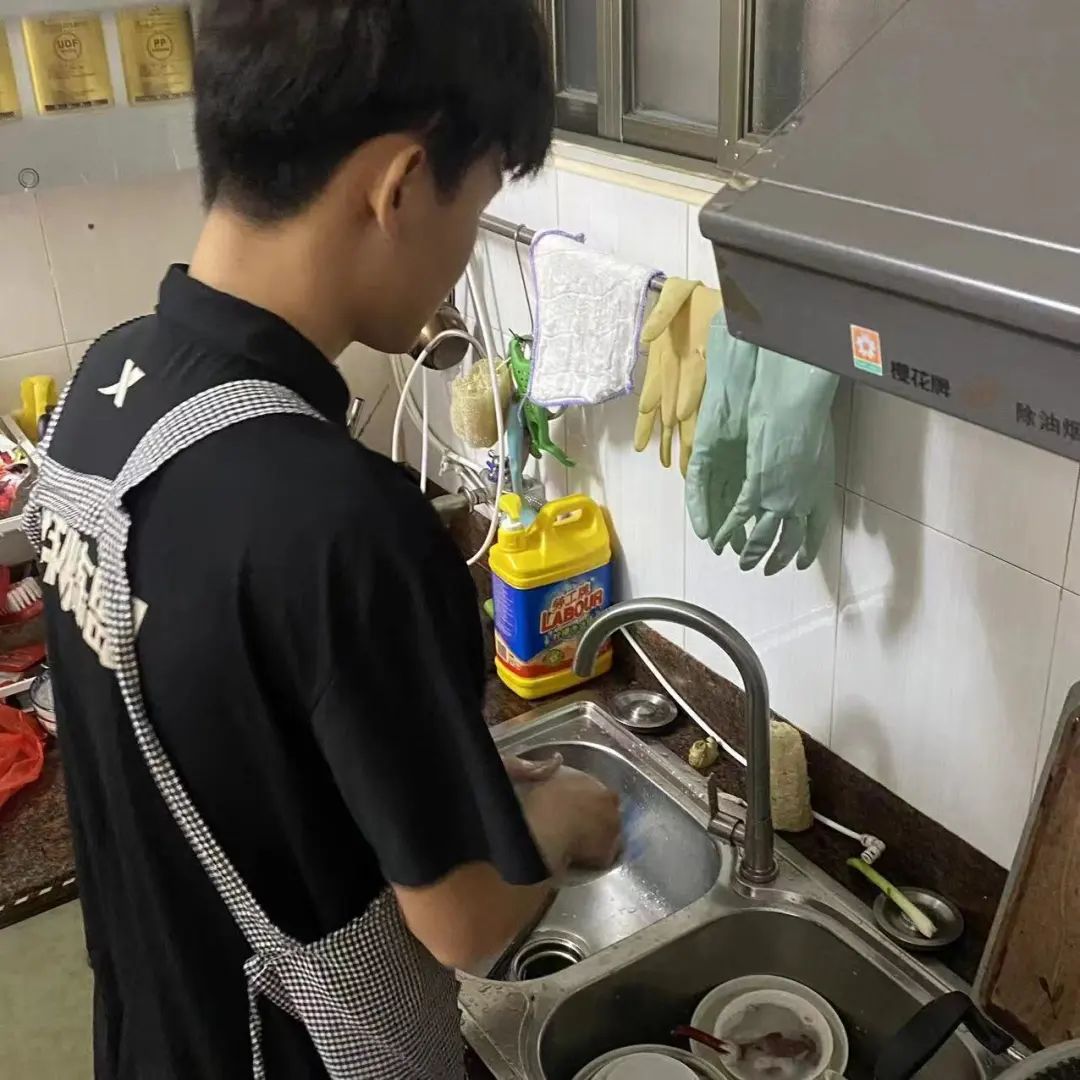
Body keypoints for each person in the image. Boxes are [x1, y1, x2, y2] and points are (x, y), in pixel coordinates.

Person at [29, 2, 622, 1077]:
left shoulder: (104, 388)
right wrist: (569, 821)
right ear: (400, 185)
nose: (461, 258)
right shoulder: (345, 523)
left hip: (154, 1038)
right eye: (478, 203)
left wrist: (439, 778)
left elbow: (239, 740)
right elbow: (467, 922)